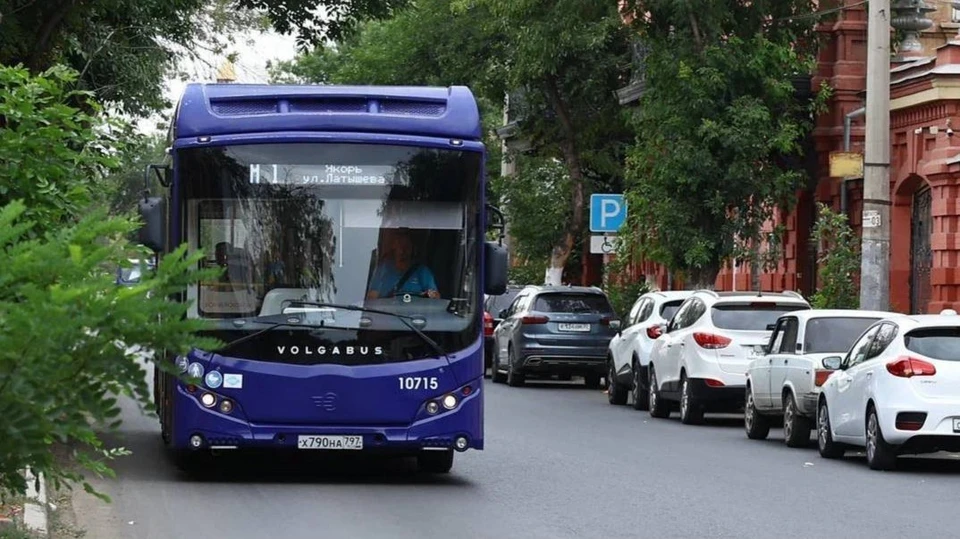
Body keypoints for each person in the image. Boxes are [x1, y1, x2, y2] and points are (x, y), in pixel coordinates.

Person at [366, 230, 440, 299]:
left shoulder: (422, 271)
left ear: (412, 249)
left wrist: (430, 295)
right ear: (394, 247)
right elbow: (372, 297)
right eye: (400, 246)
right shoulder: (383, 269)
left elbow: (435, 296)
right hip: (386, 312)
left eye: (406, 247)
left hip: (414, 312)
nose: (403, 251)